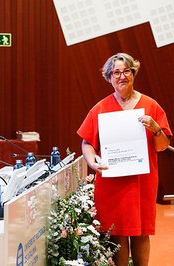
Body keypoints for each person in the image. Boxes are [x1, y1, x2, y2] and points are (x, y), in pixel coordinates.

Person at [77, 53, 172, 266]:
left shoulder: (151, 105)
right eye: (116, 72)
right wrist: (93, 162)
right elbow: (87, 143)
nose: (122, 76)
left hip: (141, 181)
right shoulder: (100, 108)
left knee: (140, 232)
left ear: (134, 73)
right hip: (112, 181)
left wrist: (156, 128)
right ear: (109, 77)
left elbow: (163, 145)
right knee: (116, 234)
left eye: (126, 71)